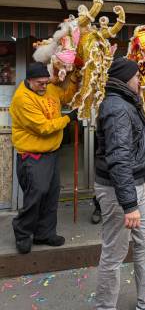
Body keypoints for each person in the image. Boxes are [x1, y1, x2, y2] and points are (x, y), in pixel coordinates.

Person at [94, 57, 145, 310]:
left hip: (134, 184)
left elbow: (136, 141)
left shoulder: (127, 104)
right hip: (119, 189)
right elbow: (118, 158)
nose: (141, 80)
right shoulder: (117, 108)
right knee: (114, 253)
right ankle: (104, 307)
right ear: (125, 78)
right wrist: (129, 205)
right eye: (138, 76)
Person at [9, 62, 78, 254]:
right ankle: (23, 233)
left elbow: (65, 96)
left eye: (46, 82)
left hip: (51, 153)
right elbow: (43, 127)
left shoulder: (48, 89)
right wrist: (68, 119)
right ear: (29, 80)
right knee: (37, 194)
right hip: (33, 155)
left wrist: (74, 78)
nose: (44, 86)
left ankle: (45, 233)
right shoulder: (22, 99)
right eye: (40, 83)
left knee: (51, 195)